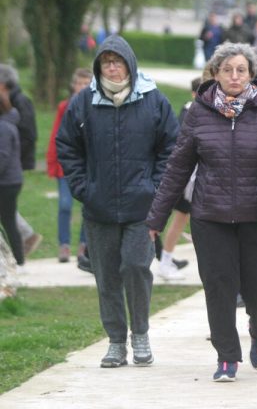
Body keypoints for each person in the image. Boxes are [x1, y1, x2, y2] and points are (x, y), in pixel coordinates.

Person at [146, 42, 257, 382]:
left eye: (241, 70)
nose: (234, 76)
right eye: (227, 70)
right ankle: (227, 356)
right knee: (218, 287)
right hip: (210, 216)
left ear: (251, 74)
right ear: (215, 74)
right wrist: (157, 217)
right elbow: (178, 168)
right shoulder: (199, 113)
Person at [56, 35, 178, 369]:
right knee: (107, 276)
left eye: (117, 61)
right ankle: (115, 341)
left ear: (129, 64)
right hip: (99, 206)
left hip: (142, 206)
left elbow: (172, 146)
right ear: (98, 67)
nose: (111, 67)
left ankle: (140, 334)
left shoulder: (153, 100)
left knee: (136, 266)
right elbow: (66, 145)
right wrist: (83, 187)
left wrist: (155, 187)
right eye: (106, 62)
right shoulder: (84, 102)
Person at [155, 77, 202, 281]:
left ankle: (166, 259)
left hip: (190, 176)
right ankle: (165, 261)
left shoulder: (190, 111)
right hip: (186, 177)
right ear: (194, 94)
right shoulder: (190, 113)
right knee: (178, 218)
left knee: (182, 218)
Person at [47, 68, 92, 263]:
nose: (81, 87)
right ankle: (63, 245)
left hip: (89, 166)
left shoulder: (96, 106)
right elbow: (56, 136)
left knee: (88, 206)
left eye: (86, 84)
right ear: (73, 86)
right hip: (66, 165)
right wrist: (52, 161)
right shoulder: (64, 107)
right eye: (79, 83)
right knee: (65, 204)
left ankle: (84, 245)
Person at [0, 64, 42, 258]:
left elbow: (29, 134)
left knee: (7, 210)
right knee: (7, 209)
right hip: (10, 161)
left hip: (13, 162)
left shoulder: (20, 101)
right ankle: (25, 237)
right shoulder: (11, 100)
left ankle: (25, 237)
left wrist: (14, 156)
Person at [0, 87, 24, 270]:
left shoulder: (3, 127)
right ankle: (17, 257)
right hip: (10, 180)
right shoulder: (7, 124)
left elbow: (2, 156)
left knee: (8, 221)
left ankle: (17, 258)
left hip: (6, 182)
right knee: (8, 220)